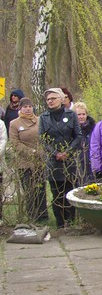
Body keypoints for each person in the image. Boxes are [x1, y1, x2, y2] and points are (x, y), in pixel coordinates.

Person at [39, 87, 81, 228]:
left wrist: (67, 152)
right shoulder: (44, 118)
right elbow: (42, 139)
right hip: (53, 162)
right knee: (56, 194)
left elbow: (78, 135)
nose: (50, 101)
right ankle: (60, 223)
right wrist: (55, 153)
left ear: (61, 99)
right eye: (48, 99)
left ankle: (71, 221)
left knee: (70, 192)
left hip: (69, 161)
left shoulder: (71, 115)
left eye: (53, 98)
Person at [9, 98, 48, 222]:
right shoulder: (14, 123)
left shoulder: (40, 121)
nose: (28, 109)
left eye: (30, 106)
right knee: (29, 191)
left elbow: (46, 138)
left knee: (41, 189)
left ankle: (43, 216)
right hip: (24, 163)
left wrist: (42, 151)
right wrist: (31, 152)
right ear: (20, 108)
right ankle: (32, 216)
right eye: (25, 107)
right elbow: (15, 143)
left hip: (40, 161)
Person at [72, 102, 96, 186]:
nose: (81, 117)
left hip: (92, 163)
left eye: (83, 114)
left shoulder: (94, 129)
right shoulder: (71, 130)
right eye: (78, 114)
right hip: (77, 164)